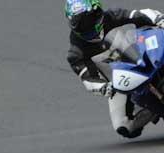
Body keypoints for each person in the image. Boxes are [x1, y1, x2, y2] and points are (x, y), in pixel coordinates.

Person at [65, 0, 164, 138]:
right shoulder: (76, 53)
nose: (87, 25)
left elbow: (138, 14)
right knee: (125, 126)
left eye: (90, 18)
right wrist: (104, 88)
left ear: (98, 12)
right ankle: (153, 109)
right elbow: (88, 79)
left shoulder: (110, 16)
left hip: (140, 54)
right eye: (81, 23)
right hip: (118, 81)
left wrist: (159, 19)